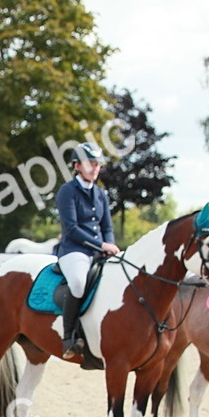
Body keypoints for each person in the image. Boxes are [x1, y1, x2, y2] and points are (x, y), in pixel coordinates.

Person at [54, 142, 119, 360]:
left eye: (97, 164)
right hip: (74, 251)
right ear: (76, 166)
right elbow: (71, 229)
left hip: (100, 252)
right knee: (79, 284)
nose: (94, 168)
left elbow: (107, 227)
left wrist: (110, 246)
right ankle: (68, 338)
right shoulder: (67, 191)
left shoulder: (100, 194)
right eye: (89, 163)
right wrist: (101, 245)